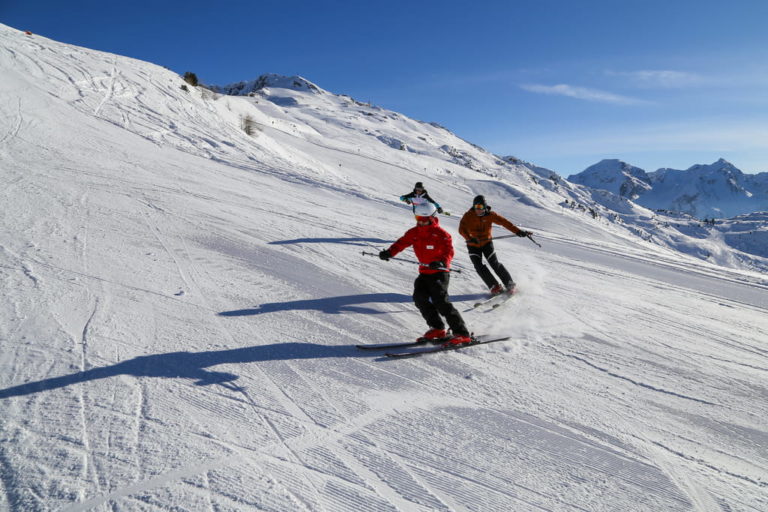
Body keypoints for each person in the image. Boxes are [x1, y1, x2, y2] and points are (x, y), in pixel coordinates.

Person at [379, 202, 472, 346]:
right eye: (418, 218)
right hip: (424, 272)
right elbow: (402, 243)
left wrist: (442, 262)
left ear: (432, 217)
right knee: (419, 298)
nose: (421, 222)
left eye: (425, 219)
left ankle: (462, 333)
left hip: (440, 273)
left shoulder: (441, 234)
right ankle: (437, 328)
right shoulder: (414, 232)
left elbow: (449, 252)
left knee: (441, 302)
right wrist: (389, 252)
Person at [458, 195, 532, 296]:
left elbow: (505, 223)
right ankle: (494, 286)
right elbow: (461, 229)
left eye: (480, 207)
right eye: (476, 207)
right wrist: (469, 238)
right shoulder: (468, 215)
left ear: (484, 206)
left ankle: (509, 284)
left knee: (494, 263)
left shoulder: (491, 215)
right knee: (478, 266)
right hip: (473, 244)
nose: (478, 210)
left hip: (486, 243)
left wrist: (518, 231)